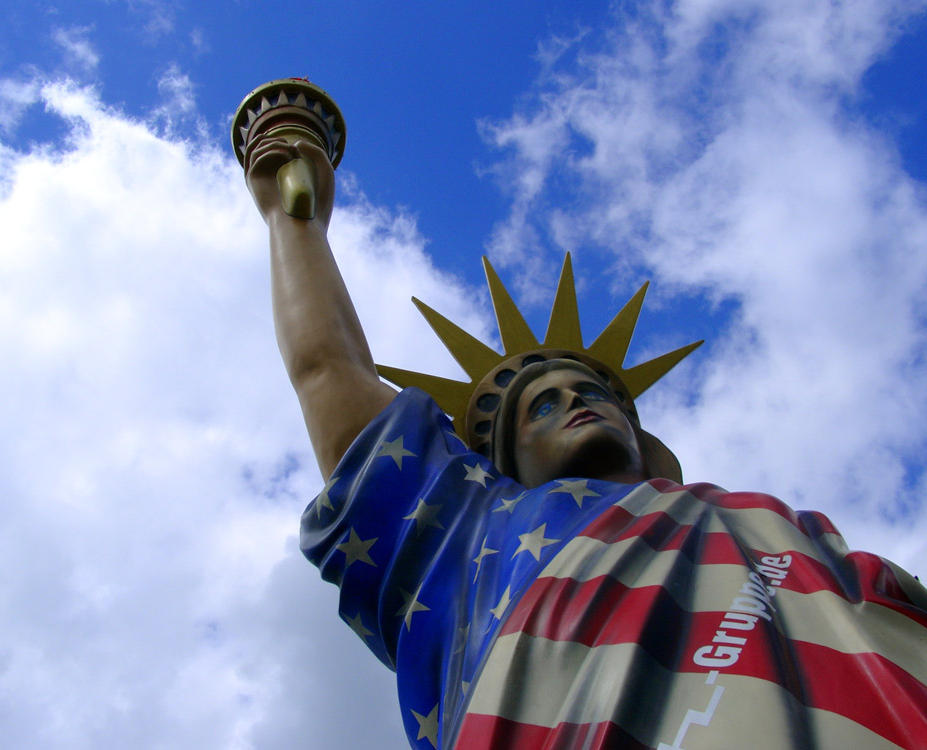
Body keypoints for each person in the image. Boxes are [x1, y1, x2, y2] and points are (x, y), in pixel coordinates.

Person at [244, 133, 927, 750]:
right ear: (502, 461)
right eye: (543, 405)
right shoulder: (477, 531)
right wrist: (291, 220)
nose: (575, 400)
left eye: (593, 393)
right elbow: (329, 373)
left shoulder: (766, 523)